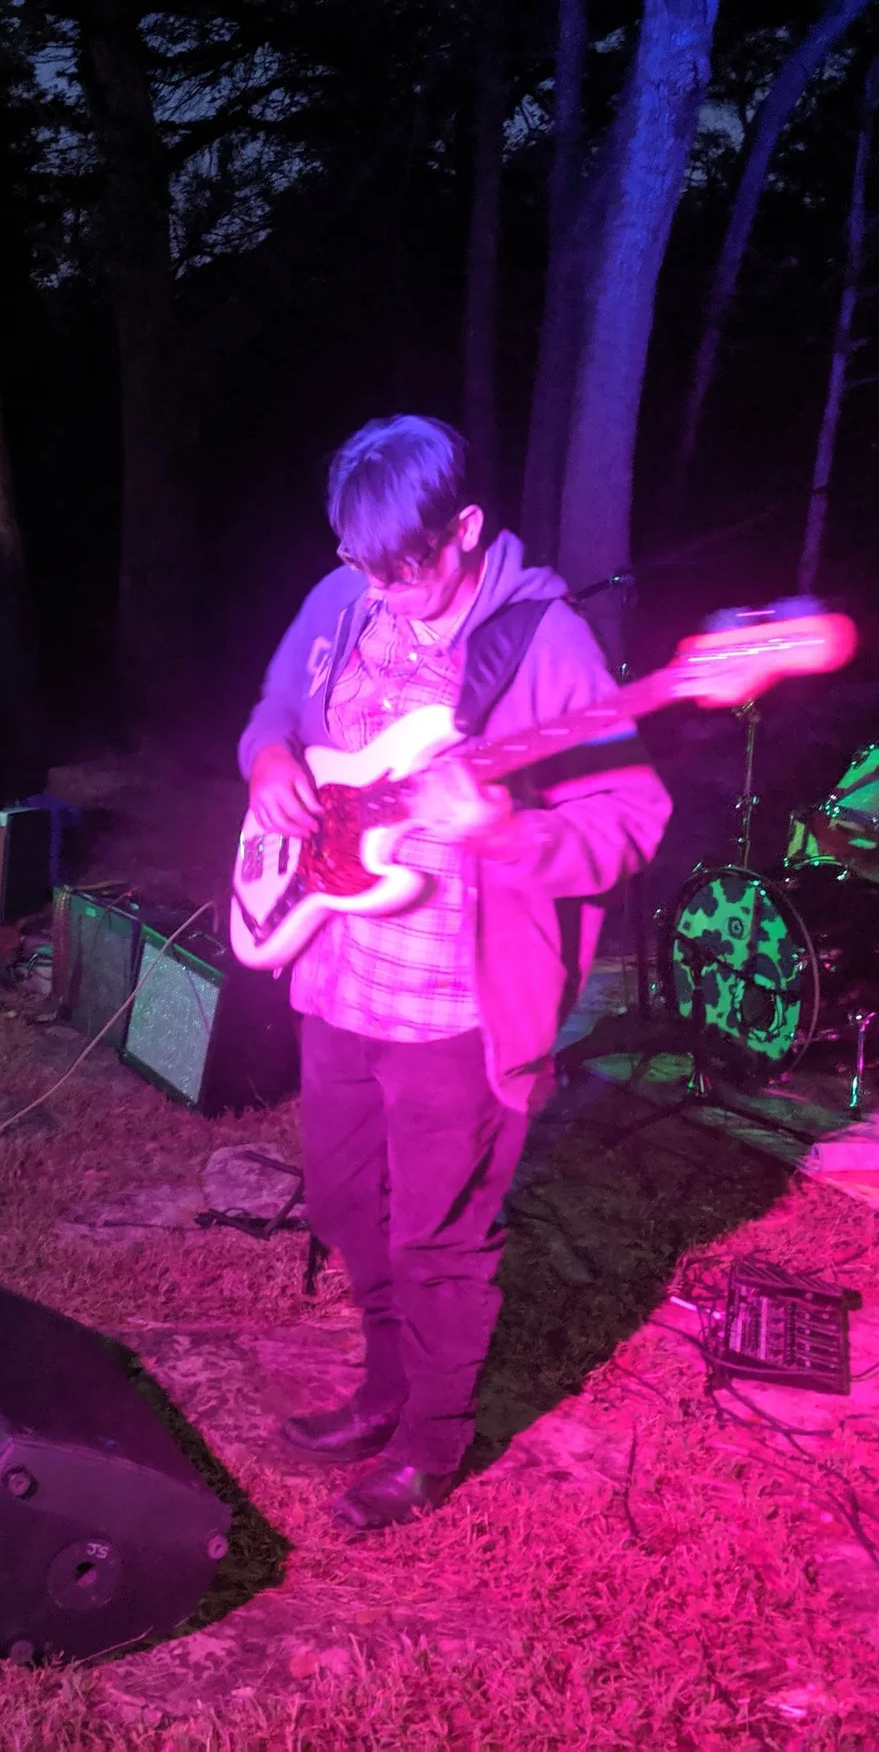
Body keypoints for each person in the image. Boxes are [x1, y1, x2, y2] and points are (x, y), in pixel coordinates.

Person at [239, 416, 670, 1533]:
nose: (384, 591)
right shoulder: (341, 600)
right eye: (361, 564)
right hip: (334, 968)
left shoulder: (544, 645)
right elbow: (273, 708)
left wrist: (500, 833)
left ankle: (432, 1439)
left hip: (458, 1006)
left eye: (406, 566)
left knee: (439, 1233)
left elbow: (630, 821)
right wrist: (270, 759)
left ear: (464, 528)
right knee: (342, 1198)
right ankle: (385, 1384)